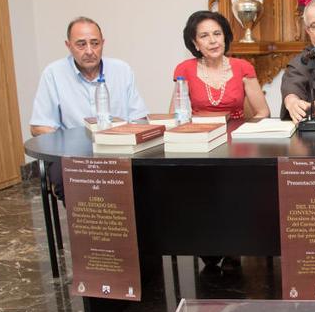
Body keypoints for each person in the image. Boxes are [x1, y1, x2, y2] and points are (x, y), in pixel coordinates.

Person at [30, 16, 148, 200]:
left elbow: (139, 118)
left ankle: (134, 228)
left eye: (95, 43)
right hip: (72, 155)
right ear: (68, 46)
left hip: (119, 150)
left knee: (149, 178)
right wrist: (72, 144)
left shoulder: (121, 70)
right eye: (81, 44)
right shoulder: (53, 73)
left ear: (103, 43)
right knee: (70, 182)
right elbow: (39, 126)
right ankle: (92, 227)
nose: (90, 51)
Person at [171, 11, 270, 120]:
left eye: (217, 34)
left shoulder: (243, 67)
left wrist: (246, 132)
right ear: (195, 43)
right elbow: (174, 116)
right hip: (201, 133)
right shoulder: (184, 69)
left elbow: (263, 112)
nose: (213, 41)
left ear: (224, 37)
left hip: (236, 133)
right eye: (204, 36)